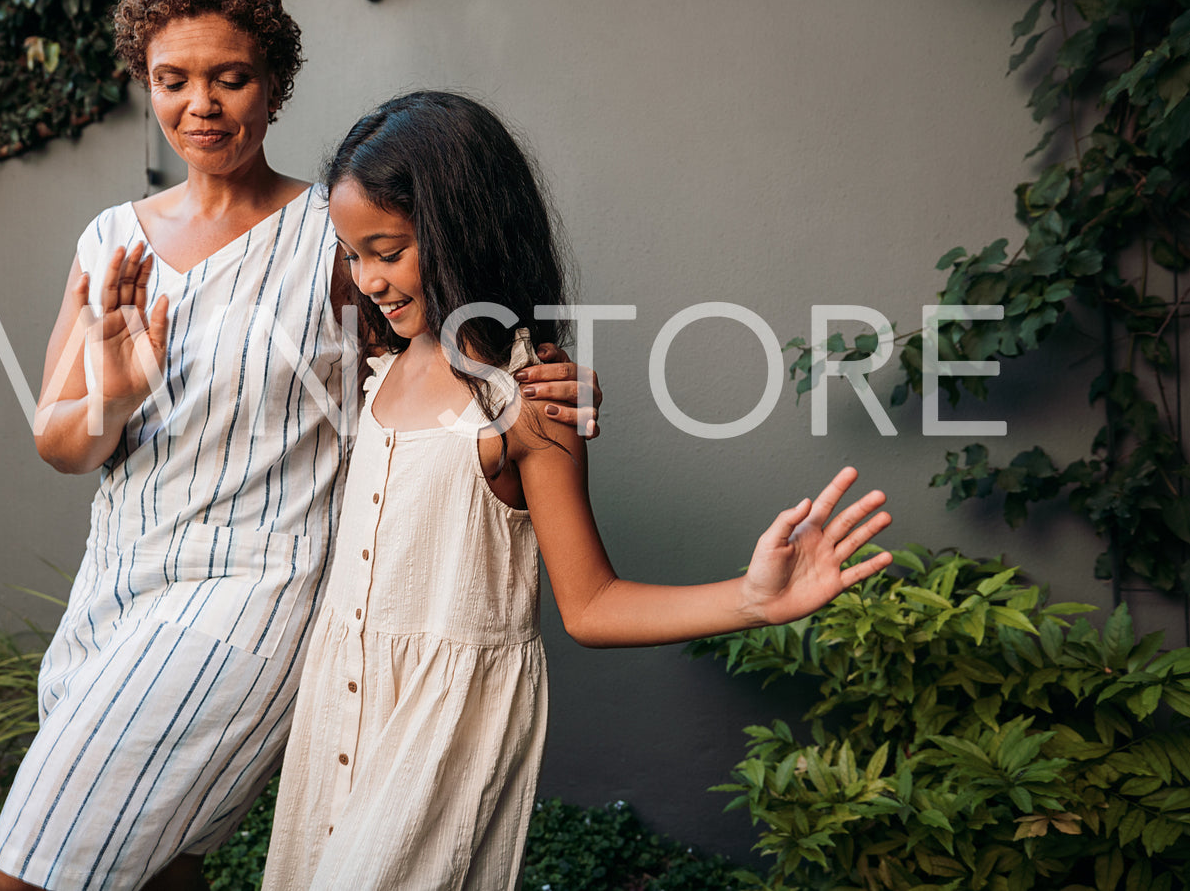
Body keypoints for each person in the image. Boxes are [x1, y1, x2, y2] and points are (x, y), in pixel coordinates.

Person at [0, 0, 597, 891]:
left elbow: (432, 355)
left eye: (229, 77)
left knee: (31, 873)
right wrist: (117, 390)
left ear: (274, 84)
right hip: (117, 585)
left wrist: (536, 378)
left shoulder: (338, 236)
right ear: (144, 84)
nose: (201, 104)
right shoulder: (110, 239)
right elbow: (58, 442)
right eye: (172, 80)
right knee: (150, 864)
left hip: (249, 594)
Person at [260, 91, 895, 890]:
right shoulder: (377, 362)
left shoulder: (531, 396)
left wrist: (753, 599)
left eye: (386, 250)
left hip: (438, 728)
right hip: (338, 707)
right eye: (352, 254)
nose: (367, 278)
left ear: (460, 231)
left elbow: (590, 606)